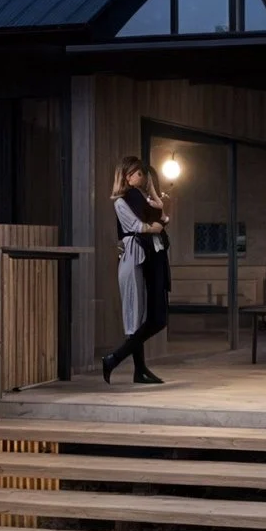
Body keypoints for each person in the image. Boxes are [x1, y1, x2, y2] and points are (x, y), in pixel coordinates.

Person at [102, 156, 171, 385]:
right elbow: (137, 226)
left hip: (146, 255)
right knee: (135, 315)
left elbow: (157, 218)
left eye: (143, 174)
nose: (142, 178)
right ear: (126, 175)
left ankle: (131, 366)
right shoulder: (122, 201)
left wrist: (160, 219)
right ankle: (126, 365)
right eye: (138, 174)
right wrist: (156, 226)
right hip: (134, 256)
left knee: (146, 317)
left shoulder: (141, 198)